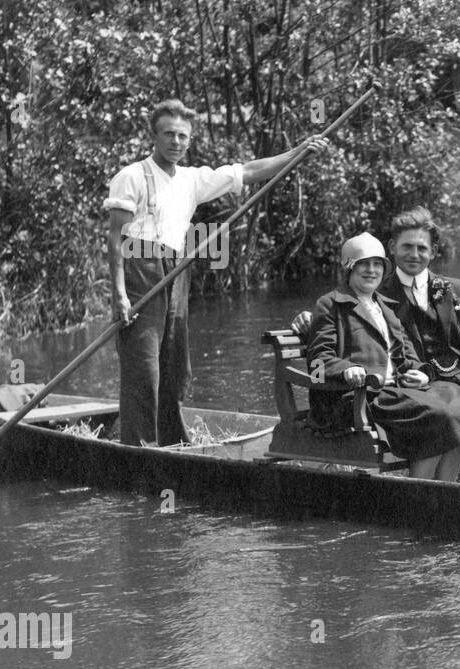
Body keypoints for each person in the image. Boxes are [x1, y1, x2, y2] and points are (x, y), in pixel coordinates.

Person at [103, 98, 329, 446]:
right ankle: (139, 448)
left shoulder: (193, 180)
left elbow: (249, 171)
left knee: (176, 369)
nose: (175, 142)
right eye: (168, 134)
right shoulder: (131, 176)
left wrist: (298, 151)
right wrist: (118, 295)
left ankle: (171, 441)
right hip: (140, 271)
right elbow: (116, 239)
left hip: (177, 271)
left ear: (189, 140)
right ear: (154, 136)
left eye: (182, 136)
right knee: (144, 368)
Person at [294, 207, 460, 482]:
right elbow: (324, 349)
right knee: (448, 411)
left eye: (376, 265)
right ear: (392, 249)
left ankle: (455, 486)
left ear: (433, 252)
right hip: (371, 391)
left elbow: (409, 351)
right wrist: (341, 363)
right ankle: (439, 488)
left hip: (440, 379)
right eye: (363, 264)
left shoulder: (401, 300)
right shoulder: (366, 296)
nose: (371, 271)